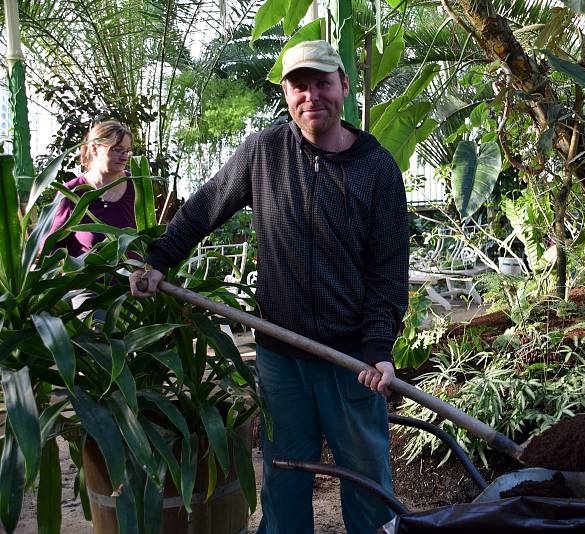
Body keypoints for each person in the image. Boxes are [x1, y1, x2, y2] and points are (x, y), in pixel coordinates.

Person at [129, 40, 409, 534]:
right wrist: (159, 259)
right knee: (284, 481)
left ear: (342, 85)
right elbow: (206, 205)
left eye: (321, 82)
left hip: (352, 364)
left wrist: (379, 347)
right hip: (281, 357)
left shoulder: (378, 168)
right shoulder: (263, 152)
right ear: (286, 93)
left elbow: (388, 272)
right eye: (298, 85)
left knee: (369, 488)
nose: (310, 95)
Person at [48, 120, 136, 256]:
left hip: (133, 275)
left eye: (127, 151)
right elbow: (52, 247)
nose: (124, 157)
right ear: (95, 149)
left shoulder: (136, 186)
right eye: (117, 149)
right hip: (86, 275)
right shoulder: (72, 192)